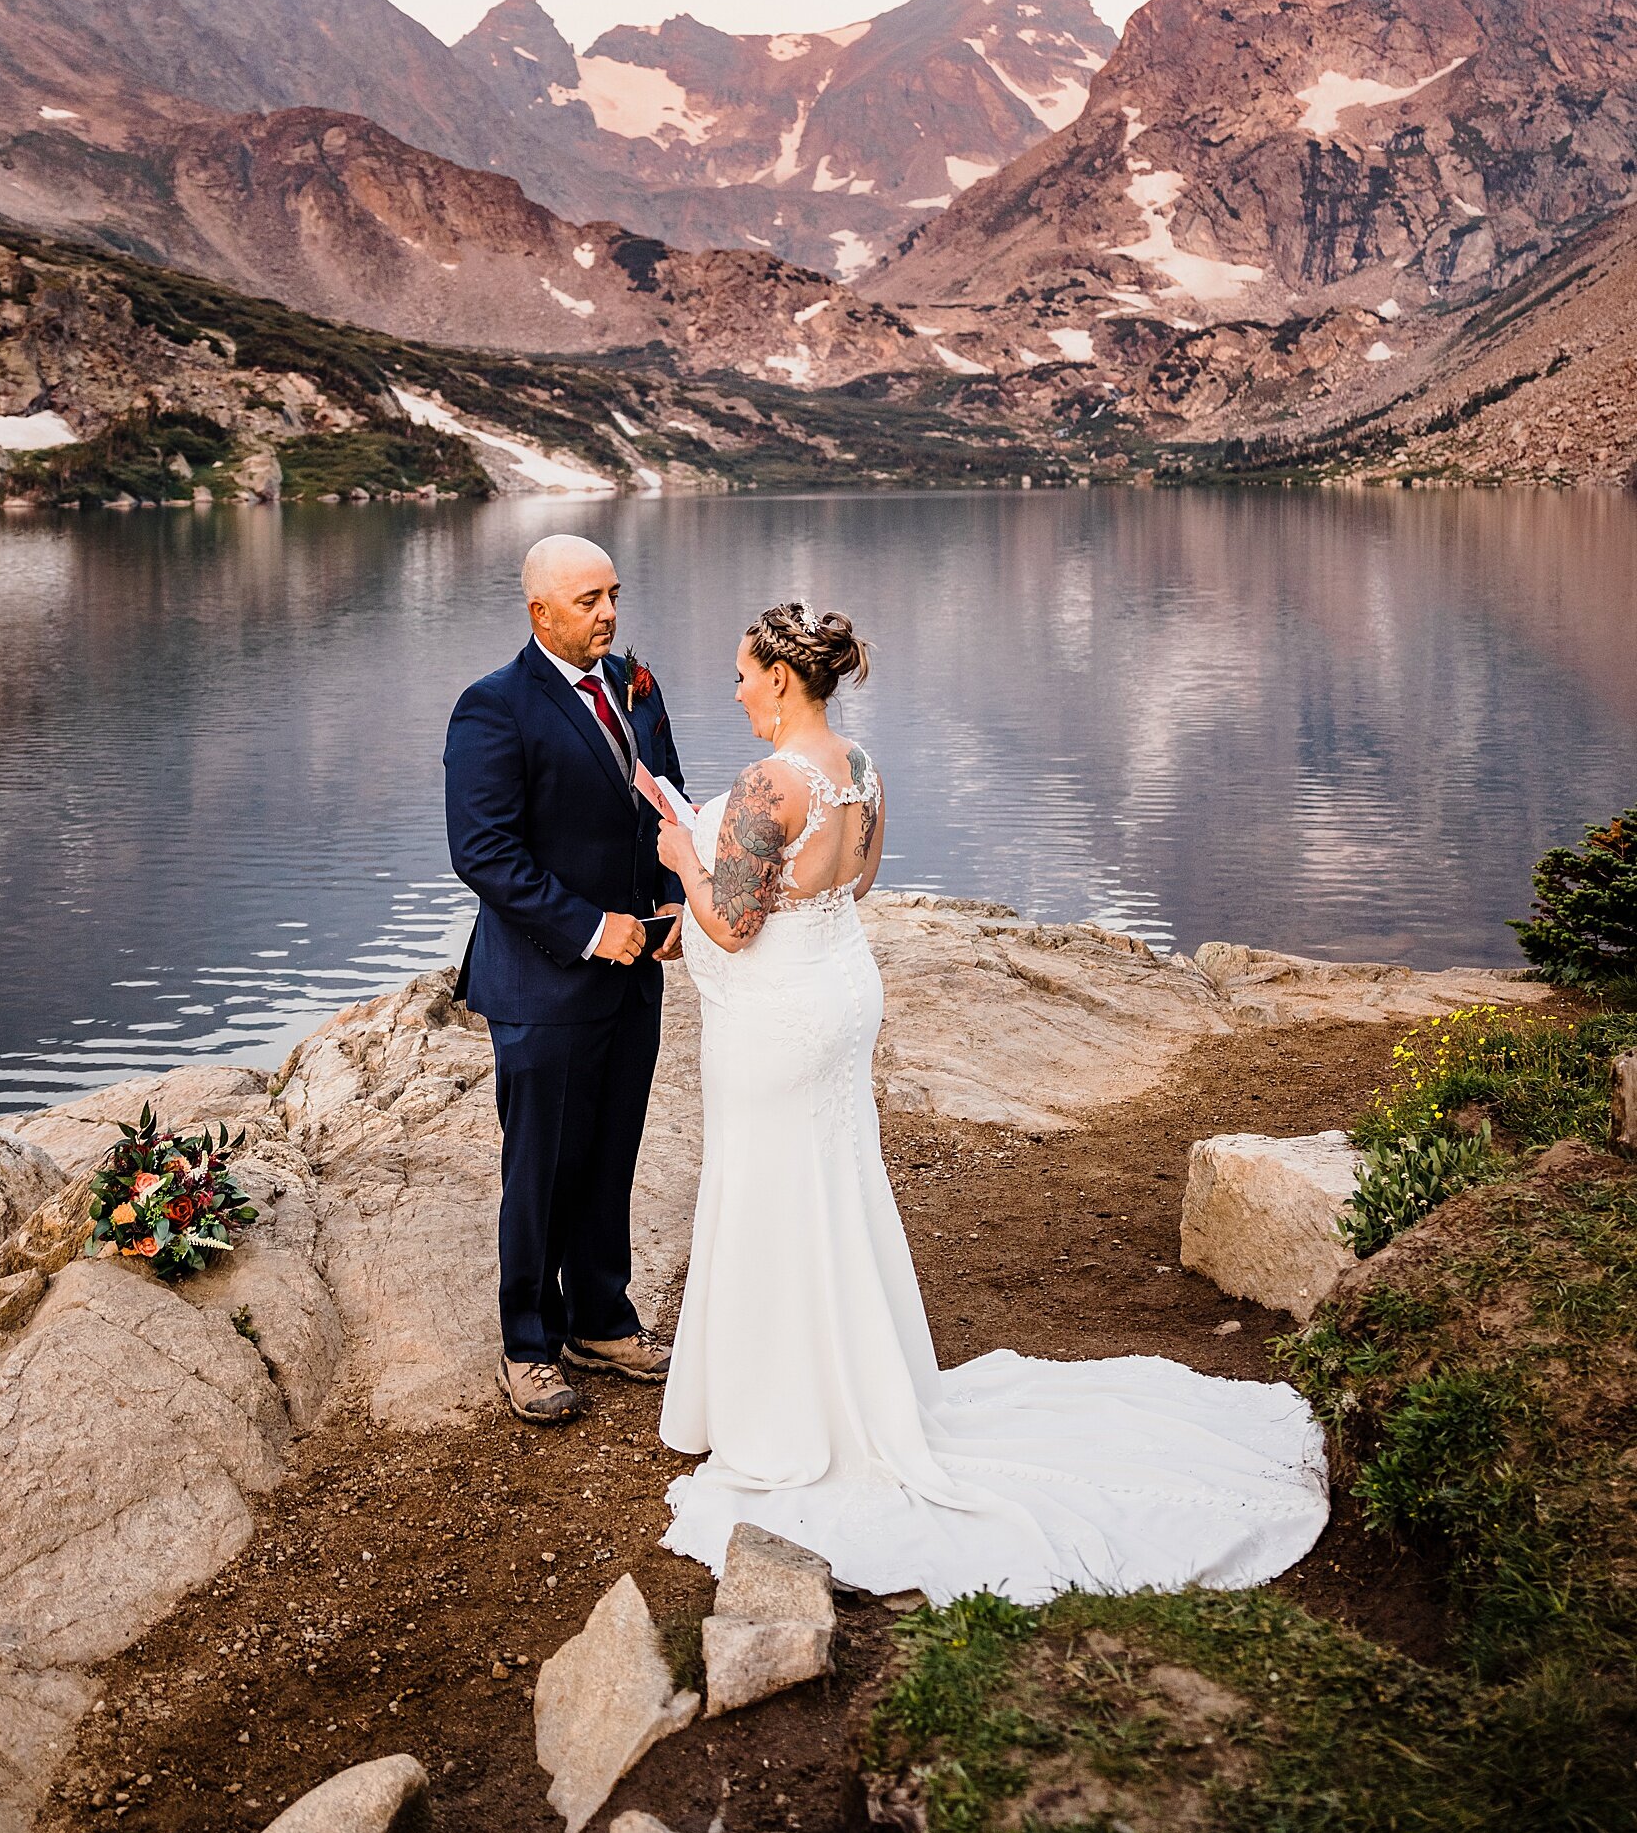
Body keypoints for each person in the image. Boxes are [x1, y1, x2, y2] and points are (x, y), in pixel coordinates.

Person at [653, 598, 1328, 1604]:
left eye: (745, 673)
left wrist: (680, 856)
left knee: (769, 1186)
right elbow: (861, 882)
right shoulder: (864, 770)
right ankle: (844, 1379)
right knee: (831, 1179)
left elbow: (735, 924)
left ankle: (786, 1412)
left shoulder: (766, 784)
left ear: (783, 679)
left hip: (781, 1016)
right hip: (840, 992)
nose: (738, 688)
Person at [444, 534, 687, 1425]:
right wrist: (592, 929)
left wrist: (669, 907)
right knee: (540, 1168)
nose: (609, 613)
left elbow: (667, 799)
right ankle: (528, 1345)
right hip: (542, 983)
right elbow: (483, 853)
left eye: (613, 594)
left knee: (611, 1152)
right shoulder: (493, 708)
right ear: (540, 611)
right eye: (588, 600)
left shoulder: (636, 687)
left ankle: (601, 1320)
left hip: (635, 976)